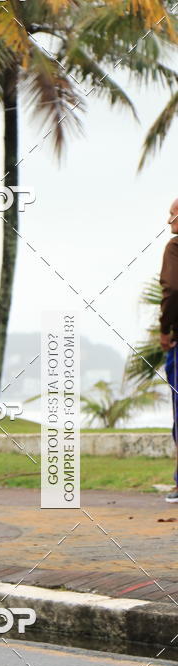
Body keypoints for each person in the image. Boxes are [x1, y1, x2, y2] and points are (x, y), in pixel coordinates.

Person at [160, 197, 178, 502]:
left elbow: (173, 289)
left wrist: (165, 330)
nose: (169, 222)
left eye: (173, 215)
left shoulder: (175, 248)